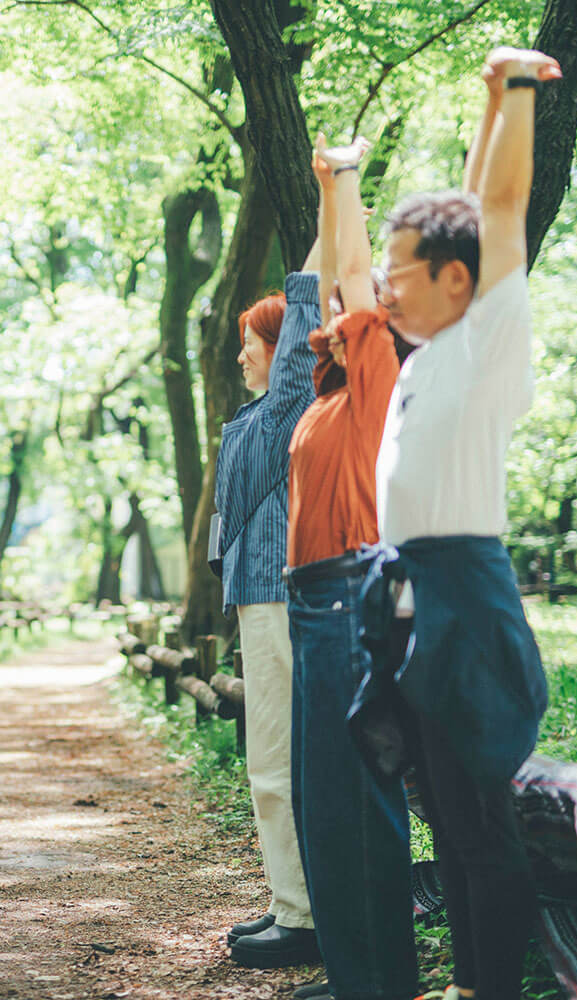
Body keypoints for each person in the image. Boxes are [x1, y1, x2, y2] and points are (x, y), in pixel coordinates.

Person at [367, 48, 561, 1000]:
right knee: (448, 826)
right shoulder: (424, 359)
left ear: (454, 280)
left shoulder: (485, 340)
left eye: (396, 270)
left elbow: (500, 212)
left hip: (464, 608)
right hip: (412, 607)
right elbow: (469, 210)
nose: (382, 285)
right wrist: (486, 103)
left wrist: (516, 88)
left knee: (481, 833)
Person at [285, 135, 417, 1000]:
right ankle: (352, 975)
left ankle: (380, 983)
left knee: (359, 805)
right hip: (311, 608)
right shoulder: (324, 389)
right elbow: (323, 282)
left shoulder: (375, 371)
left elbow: (353, 276)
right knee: (320, 803)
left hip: (346, 601)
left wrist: (346, 178)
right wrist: (328, 197)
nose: (336, 305)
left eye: (352, 302)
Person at [213, 251, 321, 968]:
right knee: (269, 760)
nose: (242, 354)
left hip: (278, 600)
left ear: (281, 352)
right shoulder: (256, 416)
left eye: (252, 343)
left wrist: (327, 203)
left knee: (277, 761)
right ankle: (291, 901)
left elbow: (305, 310)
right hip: (260, 599)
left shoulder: (286, 405)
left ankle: (304, 917)